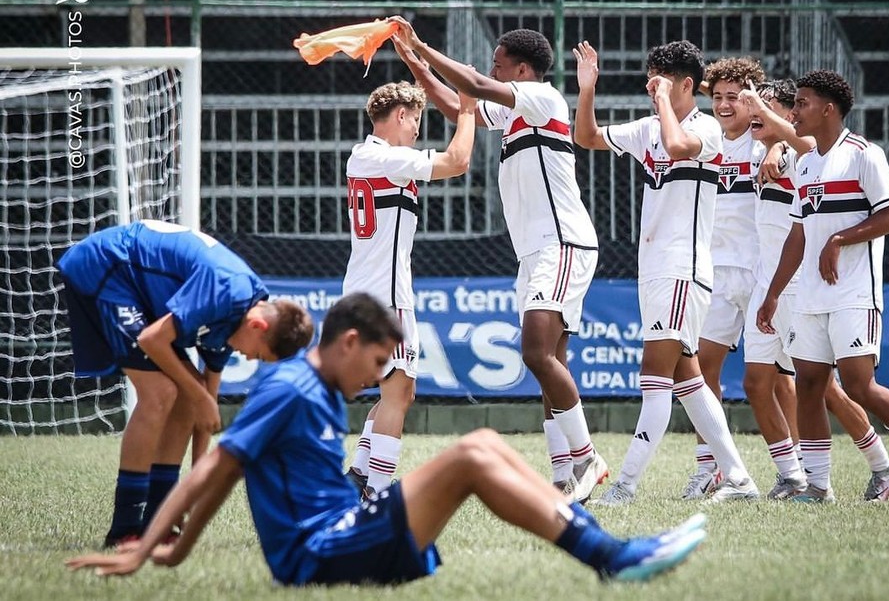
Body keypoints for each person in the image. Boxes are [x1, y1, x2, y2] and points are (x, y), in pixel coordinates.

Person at [66, 293, 708, 586]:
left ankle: (610, 550)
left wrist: (175, 557)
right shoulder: (288, 389)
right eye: (377, 364)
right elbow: (215, 471)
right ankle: (612, 558)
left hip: (348, 530)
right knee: (471, 452)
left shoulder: (310, 387)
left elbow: (231, 473)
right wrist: (149, 548)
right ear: (349, 343)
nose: (378, 378)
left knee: (484, 444)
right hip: (319, 552)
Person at [387, 17, 607, 502]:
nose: (492, 69)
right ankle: (562, 476)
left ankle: (589, 458)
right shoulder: (515, 112)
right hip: (536, 250)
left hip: (563, 243)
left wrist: (424, 43)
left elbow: (474, 85)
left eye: (499, 62)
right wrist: (417, 65)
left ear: (522, 70)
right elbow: (457, 105)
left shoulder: (543, 97)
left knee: (536, 353)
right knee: (551, 360)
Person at [572, 39, 758, 506]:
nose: (652, 87)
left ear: (687, 85)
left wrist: (660, 102)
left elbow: (676, 146)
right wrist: (588, 88)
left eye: (662, 80)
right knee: (688, 383)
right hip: (655, 269)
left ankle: (625, 486)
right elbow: (587, 137)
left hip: (682, 268)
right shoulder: (650, 126)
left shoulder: (706, 128)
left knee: (654, 380)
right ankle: (739, 478)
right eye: (650, 79)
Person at [756, 70, 889, 503]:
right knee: (808, 384)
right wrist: (772, 294)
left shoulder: (865, 154)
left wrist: (841, 238)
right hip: (809, 294)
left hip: (854, 292)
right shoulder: (804, 164)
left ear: (828, 108)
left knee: (861, 385)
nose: (794, 111)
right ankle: (818, 486)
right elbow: (797, 234)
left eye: (802, 103)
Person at [57, 220, 314, 546]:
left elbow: (204, 406)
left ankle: (158, 519)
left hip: (138, 288)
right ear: (258, 326)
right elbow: (153, 339)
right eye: (259, 355)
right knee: (161, 391)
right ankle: (124, 529)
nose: (250, 359)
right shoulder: (227, 290)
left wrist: (192, 488)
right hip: (108, 266)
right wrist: (201, 397)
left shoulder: (240, 314)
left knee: (186, 396)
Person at [741, 79, 889, 501]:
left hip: (808, 285)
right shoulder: (764, 151)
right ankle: (796, 476)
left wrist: (777, 133)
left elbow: (802, 138)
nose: (768, 114)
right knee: (760, 382)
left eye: (775, 106)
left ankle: (882, 466)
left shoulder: (806, 151)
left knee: (826, 386)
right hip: (772, 281)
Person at [343, 81, 476, 498]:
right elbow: (458, 161)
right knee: (399, 390)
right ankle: (378, 494)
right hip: (386, 295)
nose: (418, 127)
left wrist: (416, 61)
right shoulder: (386, 158)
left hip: (369, 289)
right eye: (415, 118)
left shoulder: (365, 156)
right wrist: (468, 109)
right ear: (399, 116)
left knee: (395, 390)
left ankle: (360, 476)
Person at [685, 56, 766, 499]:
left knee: (776, 380)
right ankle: (710, 467)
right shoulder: (708, 140)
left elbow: (803, 147)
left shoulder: (765, 147)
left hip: (760, 273)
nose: (723, 104)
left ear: (753, 100)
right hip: (714, 271)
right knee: (701, 369)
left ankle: (799, 472)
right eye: (716, 96)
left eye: (734, 96)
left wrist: (774, 146)